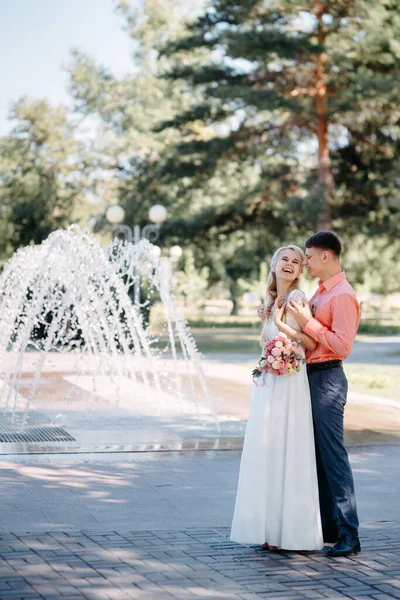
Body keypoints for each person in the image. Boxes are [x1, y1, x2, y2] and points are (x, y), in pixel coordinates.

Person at [230, 245, 323, 551]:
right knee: (268, 451)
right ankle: (270, 529)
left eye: (296, 262)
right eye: (285, 259)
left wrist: (281, 324)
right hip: (270, 382)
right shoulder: (270, 300)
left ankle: (290, 532)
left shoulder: (297, 298)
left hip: (291, 382)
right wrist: (268, 314)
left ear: (299, 271)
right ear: (273, 265)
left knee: (286, 449)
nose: (290, 264)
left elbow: (309, 341)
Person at [285, 231, 361, 557]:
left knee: (333, 457)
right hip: (310, 378)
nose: (307, 262)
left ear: (326, 256)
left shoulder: (342, 295)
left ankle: (350, 535)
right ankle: (330, 527)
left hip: (328, 380)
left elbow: (342, 346)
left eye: (310, 257)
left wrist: (308, 322)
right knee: (317, 458)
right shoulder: (320, 292)